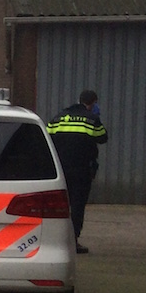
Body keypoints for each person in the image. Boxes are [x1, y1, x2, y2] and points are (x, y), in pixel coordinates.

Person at [48, 89, 108, 254]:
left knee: (60, 205)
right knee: (77, 205)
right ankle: (73, 241)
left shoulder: (58, 118)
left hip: (61, 170)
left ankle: (57, 241)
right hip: (82, 170)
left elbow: (48, 139)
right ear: (93, 103)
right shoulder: (91, 119)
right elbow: (103, 137)